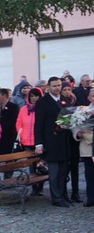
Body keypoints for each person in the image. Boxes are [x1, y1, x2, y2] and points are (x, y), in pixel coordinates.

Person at [35, 77, 71, 207]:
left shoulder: (63, 100)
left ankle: (62, 195)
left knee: (63, 171)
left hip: (63, 140)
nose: (57, 88)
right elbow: (38, 124)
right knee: (54, 173)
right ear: (48, 87)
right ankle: (56, 198)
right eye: (54, 86)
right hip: (50, 141)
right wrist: (38, 143)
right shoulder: (43, 102)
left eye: (59, 85)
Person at [15, 87, 45, 196]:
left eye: (36, 95)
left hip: (39, 141)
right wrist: (21, 134)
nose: (34, 98)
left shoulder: (42, 108)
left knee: (40, 165)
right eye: (31, 96)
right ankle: (34, 188)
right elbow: (18, 123)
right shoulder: (24, 109)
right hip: (27, 141)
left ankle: (40, 187)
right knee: (31, 165)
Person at [61, 81, 81, 202]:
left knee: (75, 167)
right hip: (64, 138)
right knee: (65, 168)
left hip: (74, 138)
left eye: (69, 89)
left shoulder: (75, 101)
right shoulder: (60, 102)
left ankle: (75, 192)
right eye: (65, 90)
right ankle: (64, 192)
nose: (67, 92)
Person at [76, 89, 94, 207]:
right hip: (88, 146)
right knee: (89, 173)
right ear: (89, 98)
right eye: (93, 96)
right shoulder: (83, 111)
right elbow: (75, 125)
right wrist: (78, 133)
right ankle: (91, 198)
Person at [0, 88, 20, 156]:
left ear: (4, 95)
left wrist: (1, 127)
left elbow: (13, 120)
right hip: (0, 135)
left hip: (9, 135)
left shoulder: (13, 107)